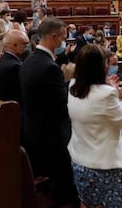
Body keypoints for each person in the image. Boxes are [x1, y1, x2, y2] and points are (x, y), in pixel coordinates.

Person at [19, 17, 79, 207]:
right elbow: (61, 104)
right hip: (51, 136)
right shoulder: (49, 68)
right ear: (54, 37)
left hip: (33, 131)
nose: (64, 43)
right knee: (61, 188)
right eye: (63, 38)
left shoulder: (29, 60)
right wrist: (74, 85)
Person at [67, 44, 122, 208]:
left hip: (79, 162)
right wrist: (121, 97)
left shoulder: (73, 86)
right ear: (100, 66)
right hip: (103, 168)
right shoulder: (107, 94)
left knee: (85, 203)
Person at [0, 29, 29, 103]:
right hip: (14, 108)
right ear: (15, 45)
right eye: (25, 45)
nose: (27, 48)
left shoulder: (3, 58)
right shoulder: (15, 66)